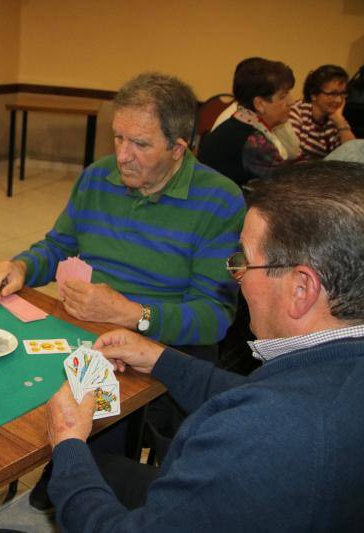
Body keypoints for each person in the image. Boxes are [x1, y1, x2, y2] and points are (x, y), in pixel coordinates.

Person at [46, 160, 364, 531]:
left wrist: (67, 444)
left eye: (245, 261)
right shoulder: (325, 373)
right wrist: (160, 358)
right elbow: (255, 392)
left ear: (301, 289)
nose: (236, 278)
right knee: (108, 468)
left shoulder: (253, 435)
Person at [0, 72, 245, 352]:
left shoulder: (220, 200)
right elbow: (58, 248)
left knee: (96, 398)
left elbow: (214, 316)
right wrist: (21, 267)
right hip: (89, 334)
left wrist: (131, 314)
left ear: (177, 149)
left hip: (163, 351)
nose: (122, 156)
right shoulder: (97, 177)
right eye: (118, 137)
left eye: (140, 144)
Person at [200, 57, 296, 185]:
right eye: (283, 96)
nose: (291, 102)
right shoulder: (255, 143)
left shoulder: (237, 122)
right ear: (259, 104)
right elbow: (284, 189)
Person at [289, 64, 357, 159]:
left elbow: (354, 155)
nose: (338, 100)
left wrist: (340, 122)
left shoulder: (336, 118)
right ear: (314, 94)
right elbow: (293, 156)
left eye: (342, 93)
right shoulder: (297, 112)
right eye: (332, 94)